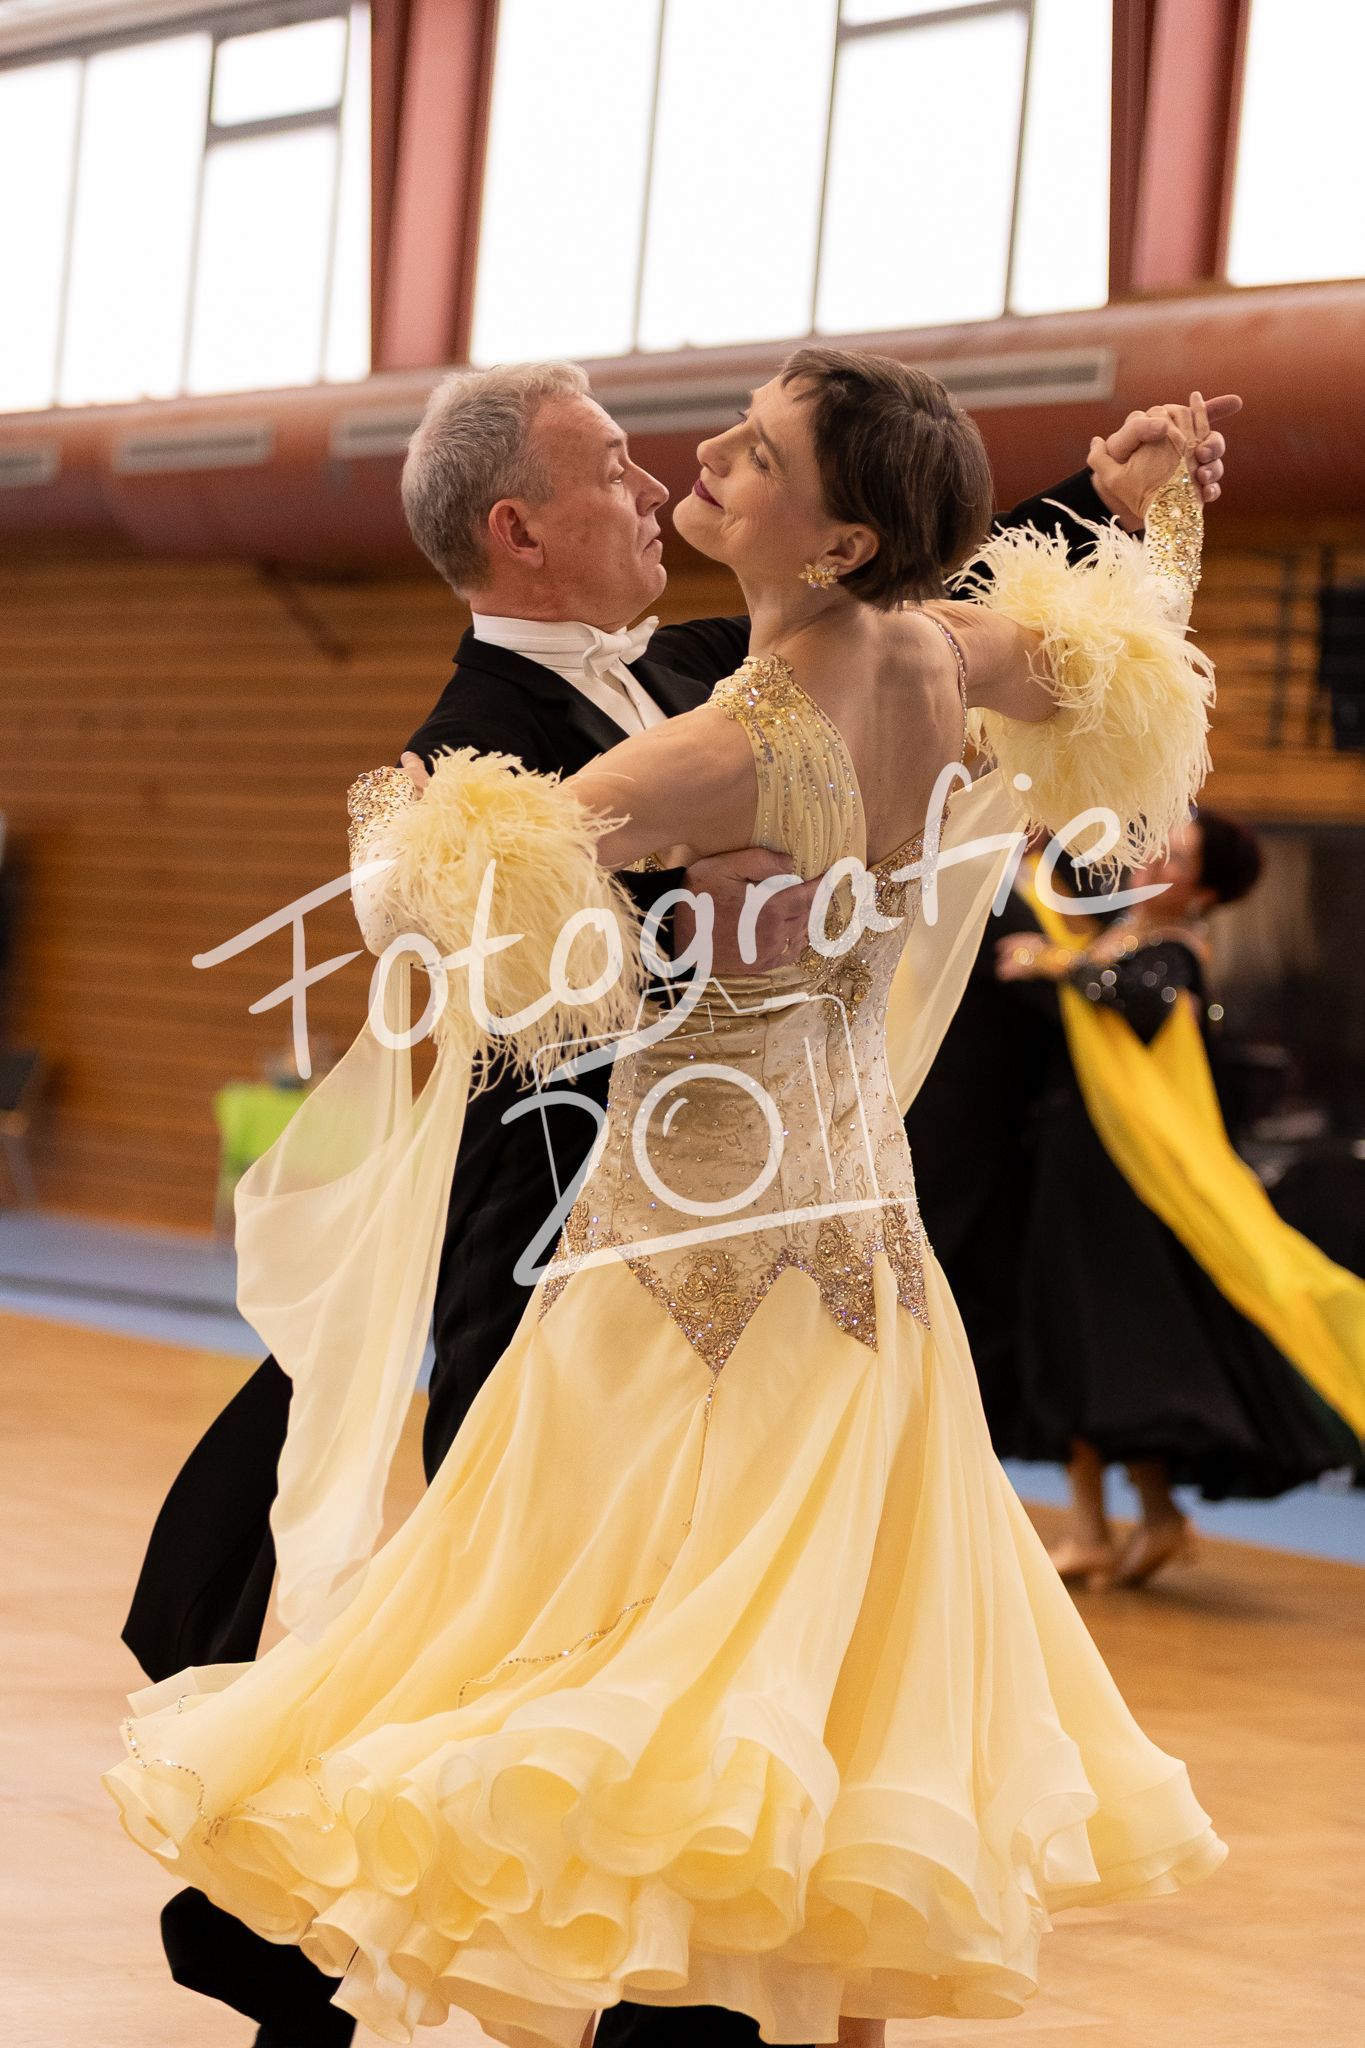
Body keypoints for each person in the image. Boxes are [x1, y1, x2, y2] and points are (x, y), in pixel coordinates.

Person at [108, 350, 1231, 2048]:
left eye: (747, 450)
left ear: (835, 538)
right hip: (838, 1256)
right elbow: (1062, 643)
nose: (682, 468)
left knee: (596, 1662)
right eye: (627, 465)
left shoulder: (728, 723)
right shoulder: (912, 652)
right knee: (801, 1679)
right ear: (518, 530)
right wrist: (1145, 525)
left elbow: (438, 885)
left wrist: (484, 859)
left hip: (680, 1256)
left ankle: (478, 1948)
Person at [992, 814, 1365, 1589]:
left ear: (1203, 890)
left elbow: (1136, 1001)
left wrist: (1048, 963)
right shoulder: (1119, 936)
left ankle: (1095, 1528)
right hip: (1081, 1163)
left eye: (1178, 856)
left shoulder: (1174, 952)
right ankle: (1143, 1517)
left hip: (1114, 1178)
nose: (1155, 857)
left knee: (1087, 1337)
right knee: (1091, 1341)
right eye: (1160, 844)